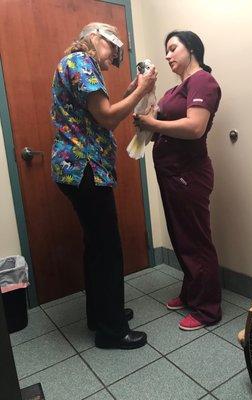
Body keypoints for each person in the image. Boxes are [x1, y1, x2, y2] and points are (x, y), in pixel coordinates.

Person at [50, 22, 156, 349]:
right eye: (113, 52)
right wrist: (142, 90)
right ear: (96, 38)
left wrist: (132, 90)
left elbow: (101, 111)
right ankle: (111, 331)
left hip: (78, 170)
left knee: (97, 248)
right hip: (85, 169)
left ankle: (102, 314)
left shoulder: (76, 64)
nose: (111, 62)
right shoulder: (81, 63)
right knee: (108, 250)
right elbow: (108, 117)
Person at [133, 30, 222, 330]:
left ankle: (208, 309)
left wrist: (153, 123)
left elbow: (196, 127)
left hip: (189, 174)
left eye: (173, 48)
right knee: (182, 238)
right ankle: (191, 293)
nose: (167, 55)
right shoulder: (176, 90)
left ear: (192, 49)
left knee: (196, 241)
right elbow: (162, 125)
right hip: (171, 174)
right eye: (165, 50)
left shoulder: (202, 81)